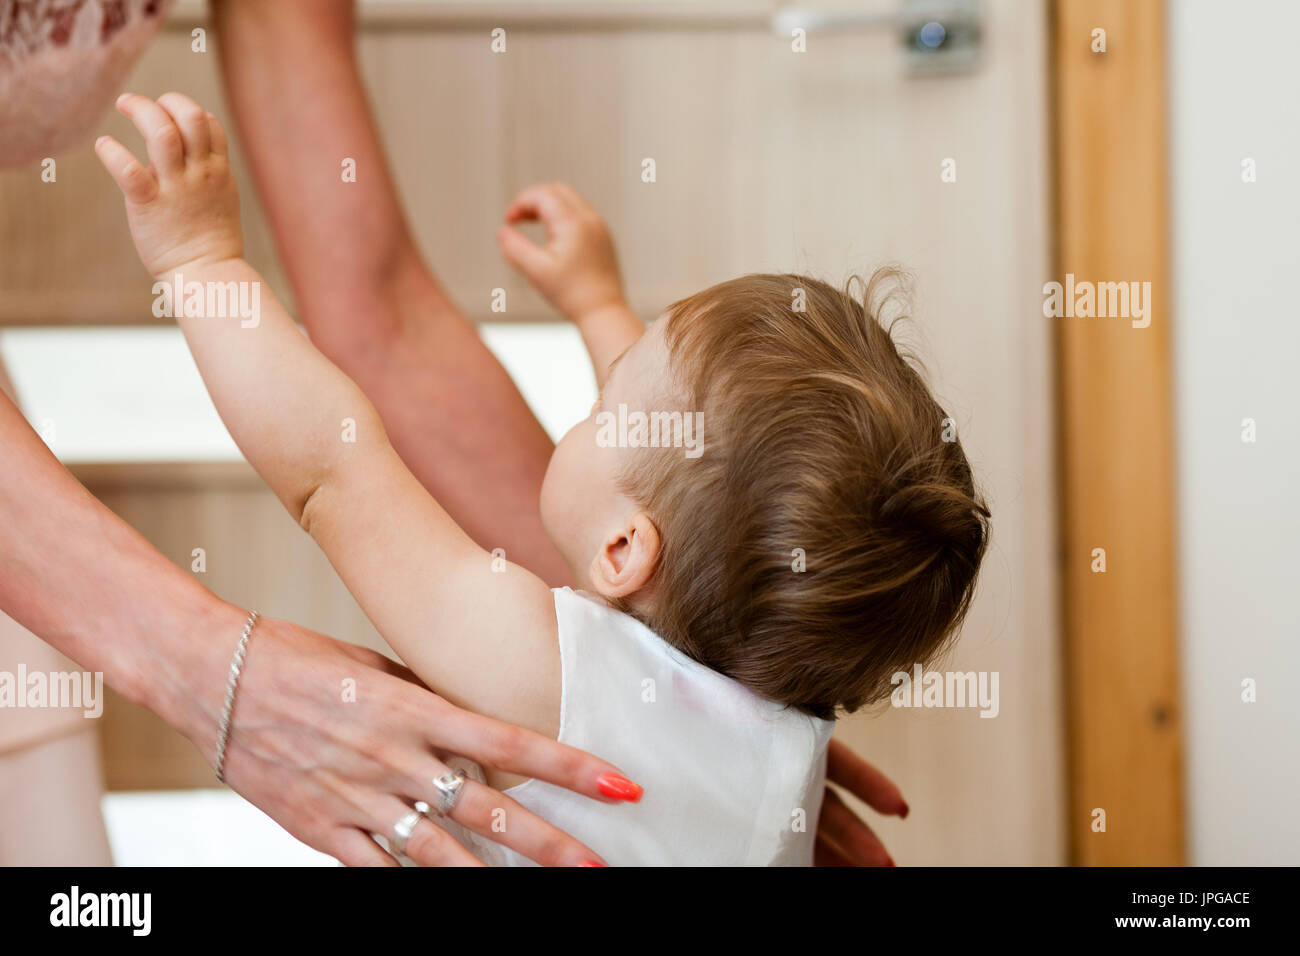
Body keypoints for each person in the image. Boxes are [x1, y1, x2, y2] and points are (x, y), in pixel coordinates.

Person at [0, 0, 906, 866]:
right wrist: (596, 305)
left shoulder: (531, 663)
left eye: (603, 405)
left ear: (627, 548)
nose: (597, 401)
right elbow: (680, 463)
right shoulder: (786, 736)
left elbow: (334, 471)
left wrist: (203, 264)